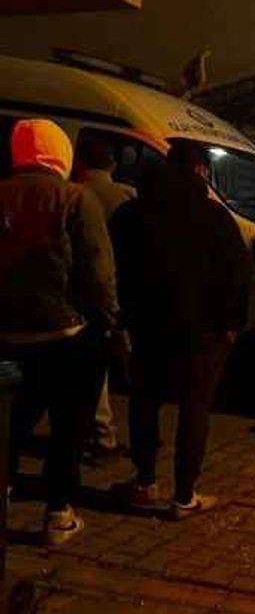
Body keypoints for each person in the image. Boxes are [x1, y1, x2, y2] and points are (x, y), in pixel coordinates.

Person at [110, 141, 250, 518]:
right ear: (200, 170)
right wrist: (233, 322)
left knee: (144, 401)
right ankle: (184, 496)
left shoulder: (130, 213)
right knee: (195, 405)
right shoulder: (214, 216)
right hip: (203, 329)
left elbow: (115, 269)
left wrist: (123, 316)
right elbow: (238, 272)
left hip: (146, 325)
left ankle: (145, 482)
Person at [0, 119, 116, 544]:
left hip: (6, 333)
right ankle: (57, 514)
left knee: (11, 424)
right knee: (68, 428)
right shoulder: (75, 198)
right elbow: (98, 270)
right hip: (65, 334)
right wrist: (108, 319)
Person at [72, 135, 136, 460]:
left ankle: (94, 432)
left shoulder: (72, 193)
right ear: (112, 163)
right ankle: (102, 435)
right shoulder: (126, 196)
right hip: (115, 290)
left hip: (75, 293)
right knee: (104, 366)